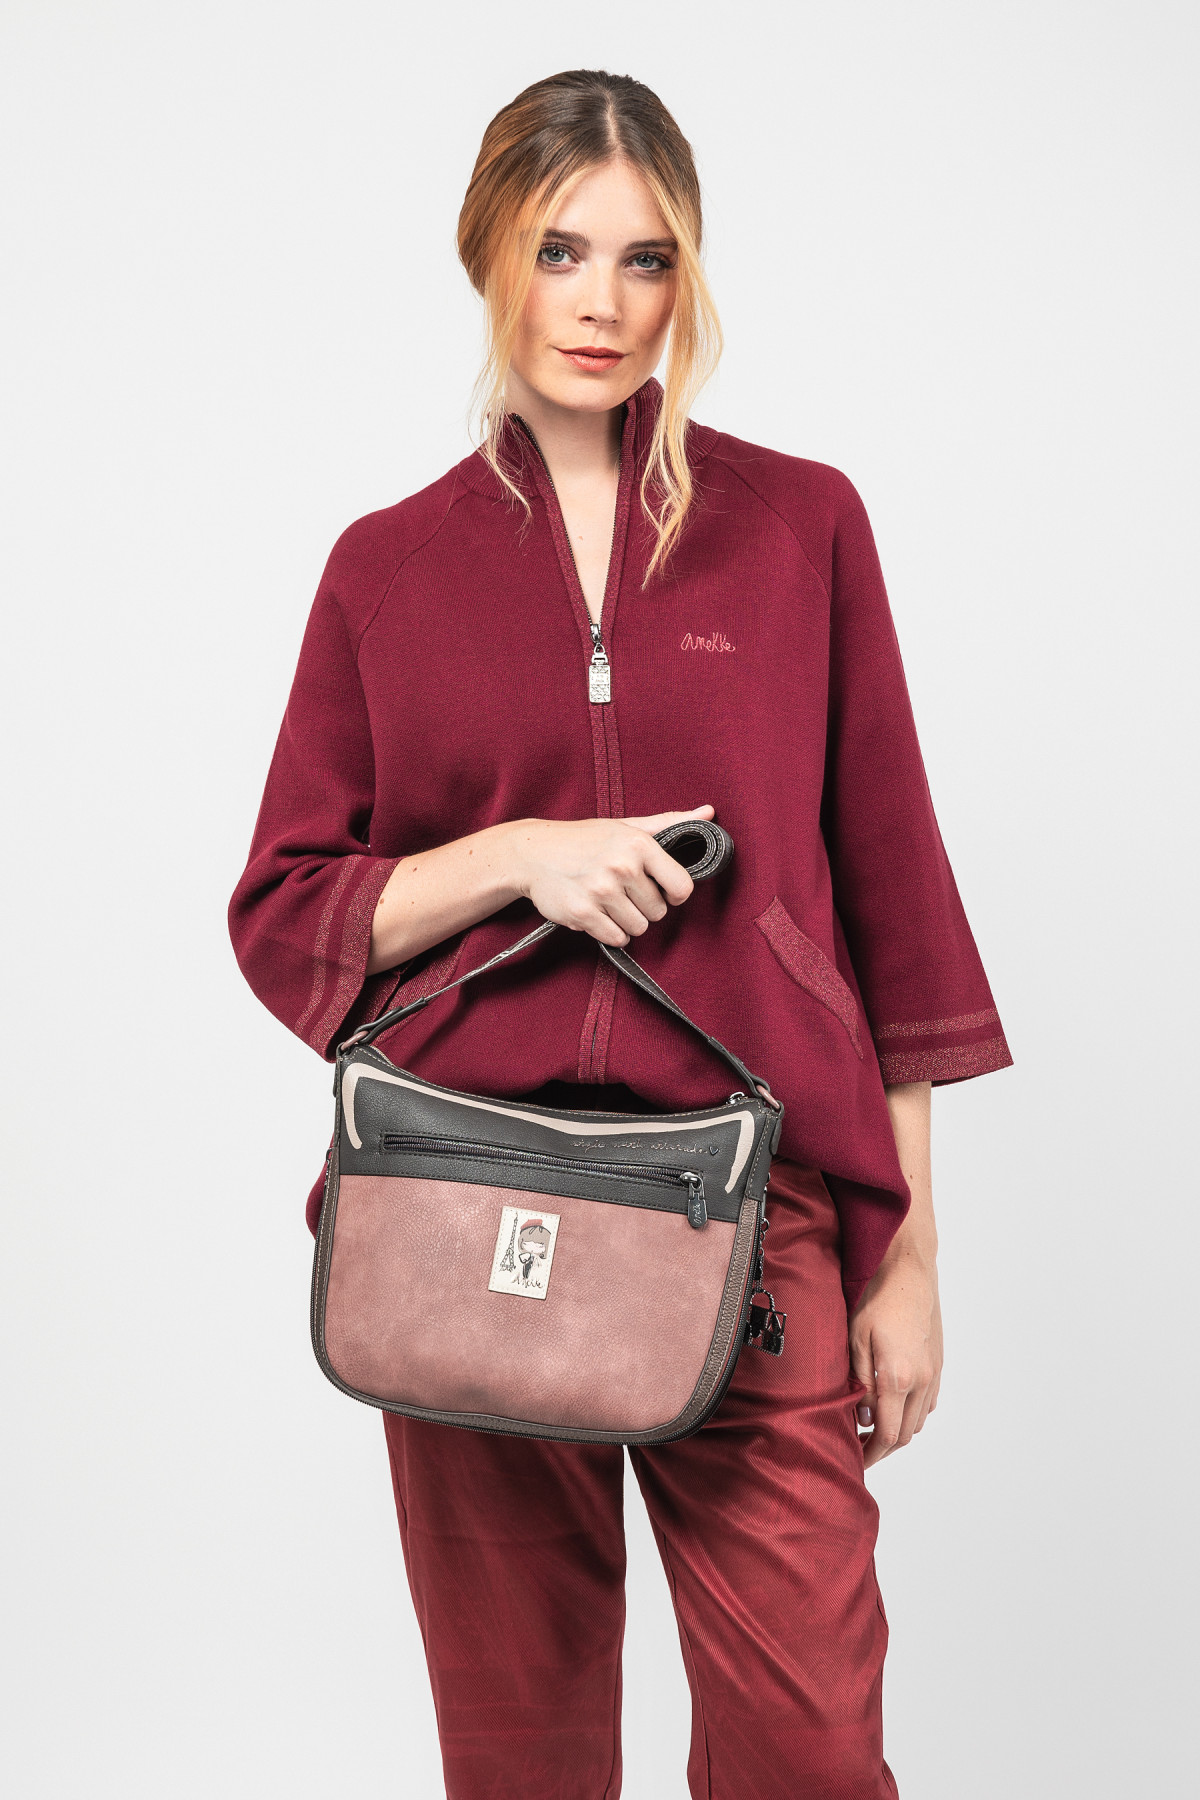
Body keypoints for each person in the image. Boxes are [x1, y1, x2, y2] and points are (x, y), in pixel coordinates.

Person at [229, 67, 1011, 1800]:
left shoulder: (801, 528)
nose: (602, 302)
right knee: (521, 1755)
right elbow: (289, 906)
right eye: (559, 250)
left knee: (813, 1748)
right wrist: (520, 856)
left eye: (646, 259)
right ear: (487, 256)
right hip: (464, 1205)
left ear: (689, 276)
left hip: (751, 1203)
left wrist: (910, 1255)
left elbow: (891, 898)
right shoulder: (385, 569)